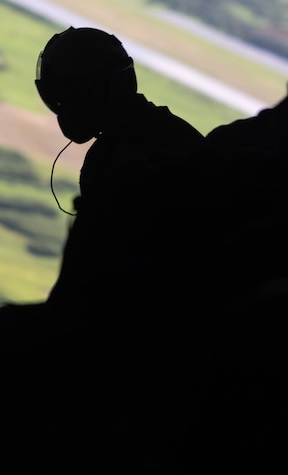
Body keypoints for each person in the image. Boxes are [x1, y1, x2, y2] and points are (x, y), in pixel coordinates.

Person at [35, 26, 205, 309]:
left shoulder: (112, 160)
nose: (64, 109)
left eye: (70, 97)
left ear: (100, 91)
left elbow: (88, 275)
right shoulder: (172, 132)